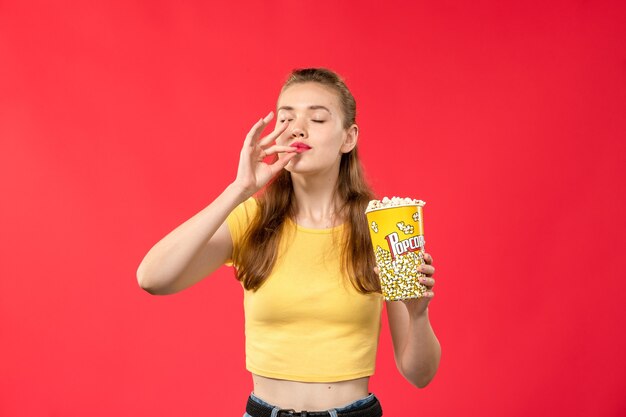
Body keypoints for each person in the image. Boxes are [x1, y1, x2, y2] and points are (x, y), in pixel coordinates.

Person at [136, 68, 440, 417]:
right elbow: (152, 279)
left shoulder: (382, 227)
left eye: (317, 118)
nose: (297, 127)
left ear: (348, 138)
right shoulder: (252, 219)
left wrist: (418, 316)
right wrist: (238, 190)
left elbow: (420, 375)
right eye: (286, 118)